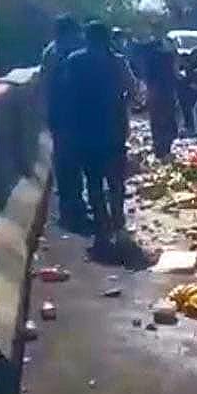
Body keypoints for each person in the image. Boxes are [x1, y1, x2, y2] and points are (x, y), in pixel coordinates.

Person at [61, 20, 140, 254]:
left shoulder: (75, 61)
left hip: (84, 131)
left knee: (93, 183)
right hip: (113, 131)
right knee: (116, 182)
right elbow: (133, 89)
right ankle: (118, 224)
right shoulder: (117, 62)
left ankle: (102, 230)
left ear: (87, 38)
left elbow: (66, 95)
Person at [40, 14, 87, 230]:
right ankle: (76, 202)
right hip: (78, 114)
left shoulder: (51, 52)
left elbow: (45, 85)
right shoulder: (78, 49)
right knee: (77, 159)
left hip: (61, 114)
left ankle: (69, 205)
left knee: (64, 160)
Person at [142, 38, 179, 158]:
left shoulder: (149, 59)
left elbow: (147, 77)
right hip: (168, 93)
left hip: (155, 94)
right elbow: (175, 74)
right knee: (168, 120)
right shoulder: (169, 58)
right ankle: (167, 146)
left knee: (157, 122)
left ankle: (159, 148)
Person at [176, 47, 197, 136]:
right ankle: (188, 127)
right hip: (184, 91)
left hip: (188, 91)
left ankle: (191, 128)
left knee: (188, 110)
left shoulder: (194, 66)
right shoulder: (187, 64)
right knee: (185, 110)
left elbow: (191, 79)